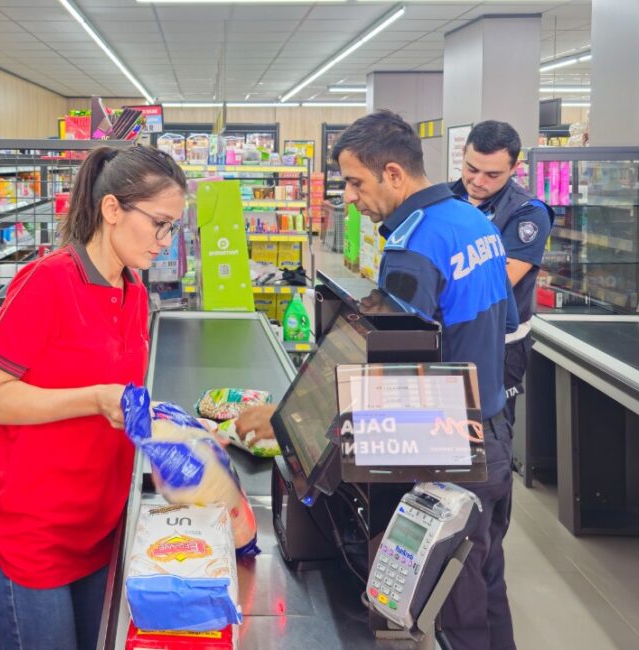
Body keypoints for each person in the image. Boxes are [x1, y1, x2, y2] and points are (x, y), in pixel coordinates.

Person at [236, 111, 517, 650]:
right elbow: (498, 328)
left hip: (449, 452)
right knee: (485, 585)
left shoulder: (413, 246)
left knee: (453, 610)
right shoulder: (473, 221)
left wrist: (291, 425)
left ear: (393, 173)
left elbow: (387, 368)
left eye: (354, 181)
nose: (349, 196)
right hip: (494, 432)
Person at [0, 145, 187, 650]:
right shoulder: (46, 282)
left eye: (171, 228)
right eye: (158, 223)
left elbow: (118, 399)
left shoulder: (133, 290)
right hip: (34, 540)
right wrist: (94, 399)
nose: (164, 241)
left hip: (99, 530)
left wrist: (175, 432)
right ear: (112, 210)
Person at [452, 120, 553, 426]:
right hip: (452, 337)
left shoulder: (527, 212)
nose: (478, 180)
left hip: (499, 346)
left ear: (514, 168)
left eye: (492, 174)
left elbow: (495, 281)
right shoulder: (447, 197)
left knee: (489, 437)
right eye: (471, 168)